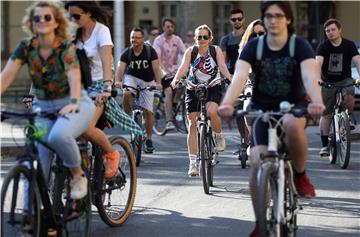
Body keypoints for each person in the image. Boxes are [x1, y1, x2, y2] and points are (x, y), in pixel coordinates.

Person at [218, 2, 325, 236]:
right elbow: (239, 77)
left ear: (287, 19)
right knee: (256, 161)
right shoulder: (254, 48)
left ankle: (299, 175)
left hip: (293, 107)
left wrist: (316, 100)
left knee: (290, 124)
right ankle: (260, 223)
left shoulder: (300, 46)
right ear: (263, 20)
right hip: (262, 109)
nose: (273, 20)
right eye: (268, 16)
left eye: (278, 16)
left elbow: (309, 76)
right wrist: (226, 103)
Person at [0, 1, 96, 199]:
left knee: (58, 136)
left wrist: (74, 100)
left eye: (47, 17)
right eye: (37, 18)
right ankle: (32, 219)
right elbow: (8, 77)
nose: (42, 21)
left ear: (56, 22)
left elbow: (74, 77)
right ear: (32, 24)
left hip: (73, 104)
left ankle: (78, 175)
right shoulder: (27, 48)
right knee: (35, 166)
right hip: (42, 109)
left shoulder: (64, 48)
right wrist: (28, 109)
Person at [170, 24, 232, 176]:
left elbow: (222, 66)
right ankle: (193, 163)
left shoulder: (215, 50)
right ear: (195, 39)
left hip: (212, 86)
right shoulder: (191, 51)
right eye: (199, 37)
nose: (202, 40)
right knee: (192, 124)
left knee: (212, 111)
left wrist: (229, 77)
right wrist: (176, 79)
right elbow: (184, 67)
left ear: (210, 38)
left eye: (205, 37)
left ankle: (218, 136)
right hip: (193, 88)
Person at [316, 18, 360, 156]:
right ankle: (325, 146)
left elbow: (358, 61)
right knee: (326, 114)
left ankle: (347, 117)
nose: (330, 32)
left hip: (345, 80)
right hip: (327, 82)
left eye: (333, 29)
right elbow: (318, 64)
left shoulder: (349, 45)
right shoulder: (323, 46)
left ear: (339, 30)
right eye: (327, 31)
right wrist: (318, 80)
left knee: (350, 95)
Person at [115, 27, 162, 153]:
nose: (134, 40)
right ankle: (129, 116)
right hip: (132, 78)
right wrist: (118, 81)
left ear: (142, 39)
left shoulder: (149, 51)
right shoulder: (127, 52)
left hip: (147, 80)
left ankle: (149, 139)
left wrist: (158, 83)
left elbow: (157, 68)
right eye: (132, 37)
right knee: (127, 93)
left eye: (137, 37)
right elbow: (120, 68)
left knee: (148, 111)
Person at [234, 19, 267, 157]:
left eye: (262, 33)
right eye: (254, 35)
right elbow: (241, 71)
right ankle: (251, 139)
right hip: (251, 84)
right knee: (246, 107)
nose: (258, 37)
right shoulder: (246, 49)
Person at [219, 9, 247, 154]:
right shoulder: (226, 39)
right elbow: (223, 61)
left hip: (249, 76)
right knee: (238, 111)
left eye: (239, 19)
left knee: (249, 110)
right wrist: (224, 76)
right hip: (233, 77)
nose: (237, 21)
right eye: (234, 19)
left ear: (243, 19)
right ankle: (244, 141)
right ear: (230, 21)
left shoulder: (248, 37)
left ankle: (251, 142)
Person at [153, 18, 186, 130]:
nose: (170, 28)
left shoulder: (177, 40)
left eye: (172, 26)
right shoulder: (158, 40)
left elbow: (185, 53)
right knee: (168, 92)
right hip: (163, 72)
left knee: (183, 87)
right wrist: (163, 73)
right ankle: (169, 121)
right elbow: (156, 59)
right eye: (167, 26)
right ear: (163, 27)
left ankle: (175, 103)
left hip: (176, 71)